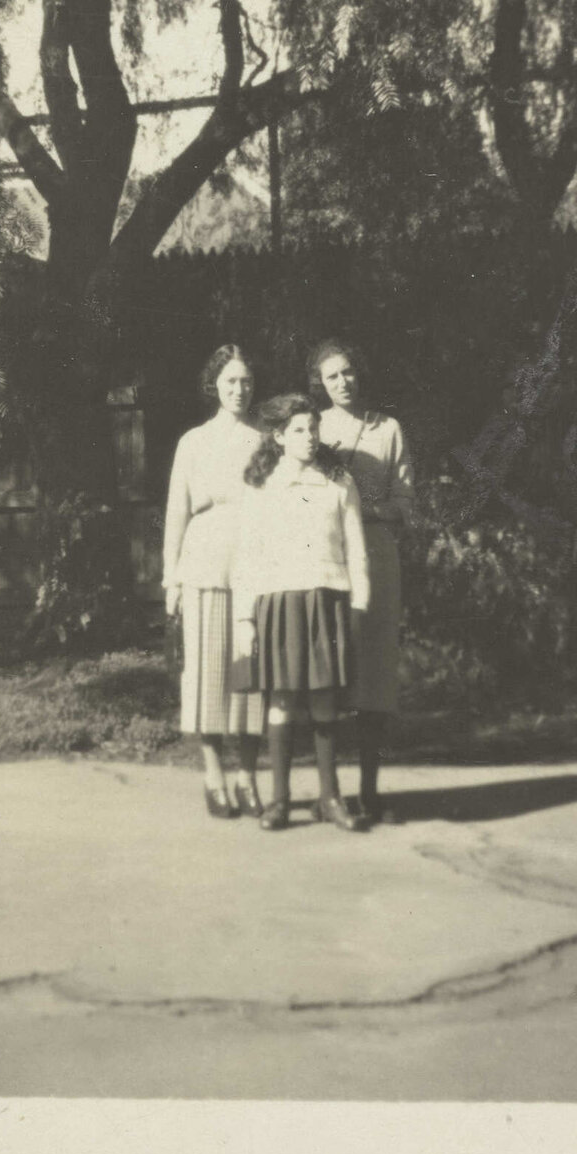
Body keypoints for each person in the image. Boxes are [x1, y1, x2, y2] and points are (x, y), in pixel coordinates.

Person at [231, 394, 371, 833]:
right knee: (282, 700)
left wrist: (360, 603)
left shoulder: (339, 481)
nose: (309, 437)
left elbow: (356, 548)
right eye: (298, 430)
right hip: (279, 601)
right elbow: (247, 555)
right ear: (278, 436)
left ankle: (330, 799)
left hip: (328, 598)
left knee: (326, 699)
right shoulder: (262, 485)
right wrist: (244, 618)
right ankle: (280, 800)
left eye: (313, 428)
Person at [310, 339, 419, 823]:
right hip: (327, 556)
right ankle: (329, 793)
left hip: (375, 555)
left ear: (361, 373)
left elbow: (405, 503)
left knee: (373, 677)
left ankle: (370, 793)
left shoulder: (387, 429)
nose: (342, 382)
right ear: (320, 383)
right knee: (328, 673)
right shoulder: (312, 428)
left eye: (348, 372)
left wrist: (363, 510)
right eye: (332, 376)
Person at [162, 345, 266, 818]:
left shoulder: (267, 440)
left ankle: (247, 776)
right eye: (230, 382)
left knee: (251, 675)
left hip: (254, 565)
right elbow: (176, 514)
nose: (239, 390)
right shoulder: (194, 442)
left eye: (245, 382)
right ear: (214, 386)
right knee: (206, 674)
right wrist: (172, 580)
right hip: (203, 562)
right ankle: (213, 775)